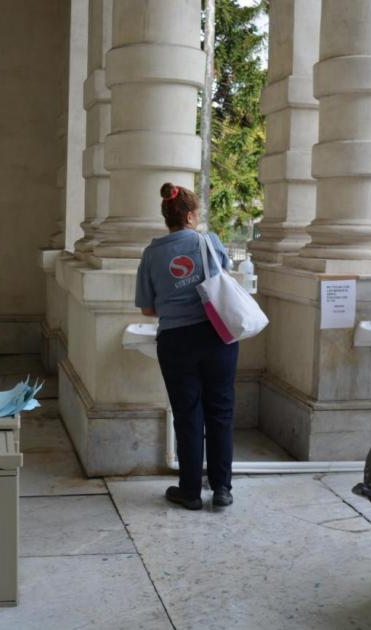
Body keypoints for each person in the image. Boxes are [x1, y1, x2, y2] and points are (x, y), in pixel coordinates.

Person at [135, 182, 237, 510]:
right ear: (191, 216)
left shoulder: (151, 253)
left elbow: (147, 309)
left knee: (186, 414)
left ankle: (190, 491)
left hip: (176, 341)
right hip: (217, 336)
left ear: (167, 217)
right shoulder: (208, 242)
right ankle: (222, 489)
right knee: (220, 411)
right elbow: (224, 277)